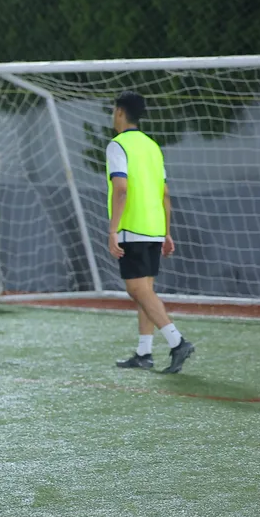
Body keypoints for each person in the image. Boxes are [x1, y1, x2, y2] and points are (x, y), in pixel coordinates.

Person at [107, 91, 195, 373]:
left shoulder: (118, 145)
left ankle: (177, 341)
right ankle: (144, 353)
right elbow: (165, 193)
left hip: (132, 227)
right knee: (144, 291)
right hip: (154, 227)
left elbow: (121, 190)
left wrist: (112, 230)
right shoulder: (152, 146)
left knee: (136, 289)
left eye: (114, 110)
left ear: (120, 112)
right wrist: (166, 232)